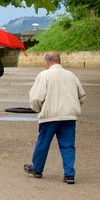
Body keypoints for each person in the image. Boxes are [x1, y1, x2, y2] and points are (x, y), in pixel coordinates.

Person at [24, 52, 86, 184]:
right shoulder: (71, 75)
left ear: (47, 62)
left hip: (50, 115)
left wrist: (37, 108)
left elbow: (36, 97)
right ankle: (69, 174)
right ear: (59, 61)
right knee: (68, 145)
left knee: (43, 142)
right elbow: (81, 95)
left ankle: (37, 168)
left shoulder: (44, 75)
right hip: (69, 115)